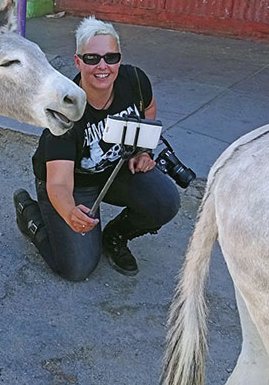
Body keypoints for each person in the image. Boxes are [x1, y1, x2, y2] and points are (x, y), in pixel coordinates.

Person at [14, 17, 181, 281]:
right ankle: (30, 215)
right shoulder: (66, 112)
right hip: (71, 183)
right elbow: (58, 185)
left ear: (119, 59)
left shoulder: (134, 80)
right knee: (76, 268)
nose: (102, 66)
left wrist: (143, 151)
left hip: (114, 170)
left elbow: (148, 108)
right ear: (78, 61)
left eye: (110, 57)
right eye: (92, 58)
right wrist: (70, 211)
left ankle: (115, 236)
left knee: (165, 200)